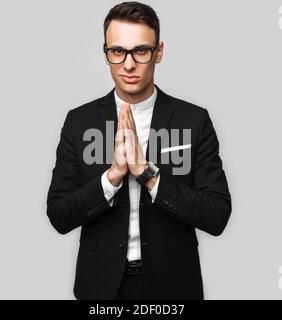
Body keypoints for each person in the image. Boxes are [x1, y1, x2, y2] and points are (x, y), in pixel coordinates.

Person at [46, 1, 232, 300]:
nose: (128, 64)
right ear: (105, 53)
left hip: (174, 288)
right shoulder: (79, 122)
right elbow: (59, 215)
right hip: (100, 289)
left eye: (141, 51)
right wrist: (112, 177)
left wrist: (147, 174)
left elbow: (217, 215)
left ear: (158, 52)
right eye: (117, 51)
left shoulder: (193, 120)